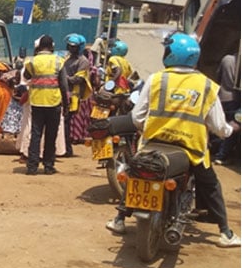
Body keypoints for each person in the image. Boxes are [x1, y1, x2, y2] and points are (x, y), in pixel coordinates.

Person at [105, 32, 241, 248]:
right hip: (192, 150)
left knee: (137, 173)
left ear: (172, 54)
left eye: (167, 49)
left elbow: (137, 117)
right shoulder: (206, 85)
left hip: (152, 145)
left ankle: (119, 219)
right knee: (211, 185)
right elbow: (219, 127)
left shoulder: (156, 79)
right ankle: (225, 232)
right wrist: (231, 129)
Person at [23, 35, 69, 175]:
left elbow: (26, 76)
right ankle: (48, 166)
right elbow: (63, 85)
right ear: (52, 46)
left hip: (37, 102)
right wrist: (66, 105)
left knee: (35, 134)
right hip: (54, 103)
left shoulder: (32, 61)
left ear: (39, 47)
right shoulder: (59, 61)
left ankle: (32, 167)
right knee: (51, 135)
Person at [62, 33, 92, 156]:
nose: (70, 48)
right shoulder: (67, 59)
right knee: (64, 122)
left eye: (73, 46)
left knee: (67, 123)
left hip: (74, 95)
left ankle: (67, 149)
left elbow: (79, 79)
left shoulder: (83, 61)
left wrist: (64, 78)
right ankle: (64, 148)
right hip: (64, 93)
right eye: (69, 46)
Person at [213, 54, 240, 165]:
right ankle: (222, 155)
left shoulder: (226, 59)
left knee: (219, 124)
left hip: (222, 97)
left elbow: (217, 77)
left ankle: (215, 149)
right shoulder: (237, 62)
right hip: (235, 98)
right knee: (232, 128)